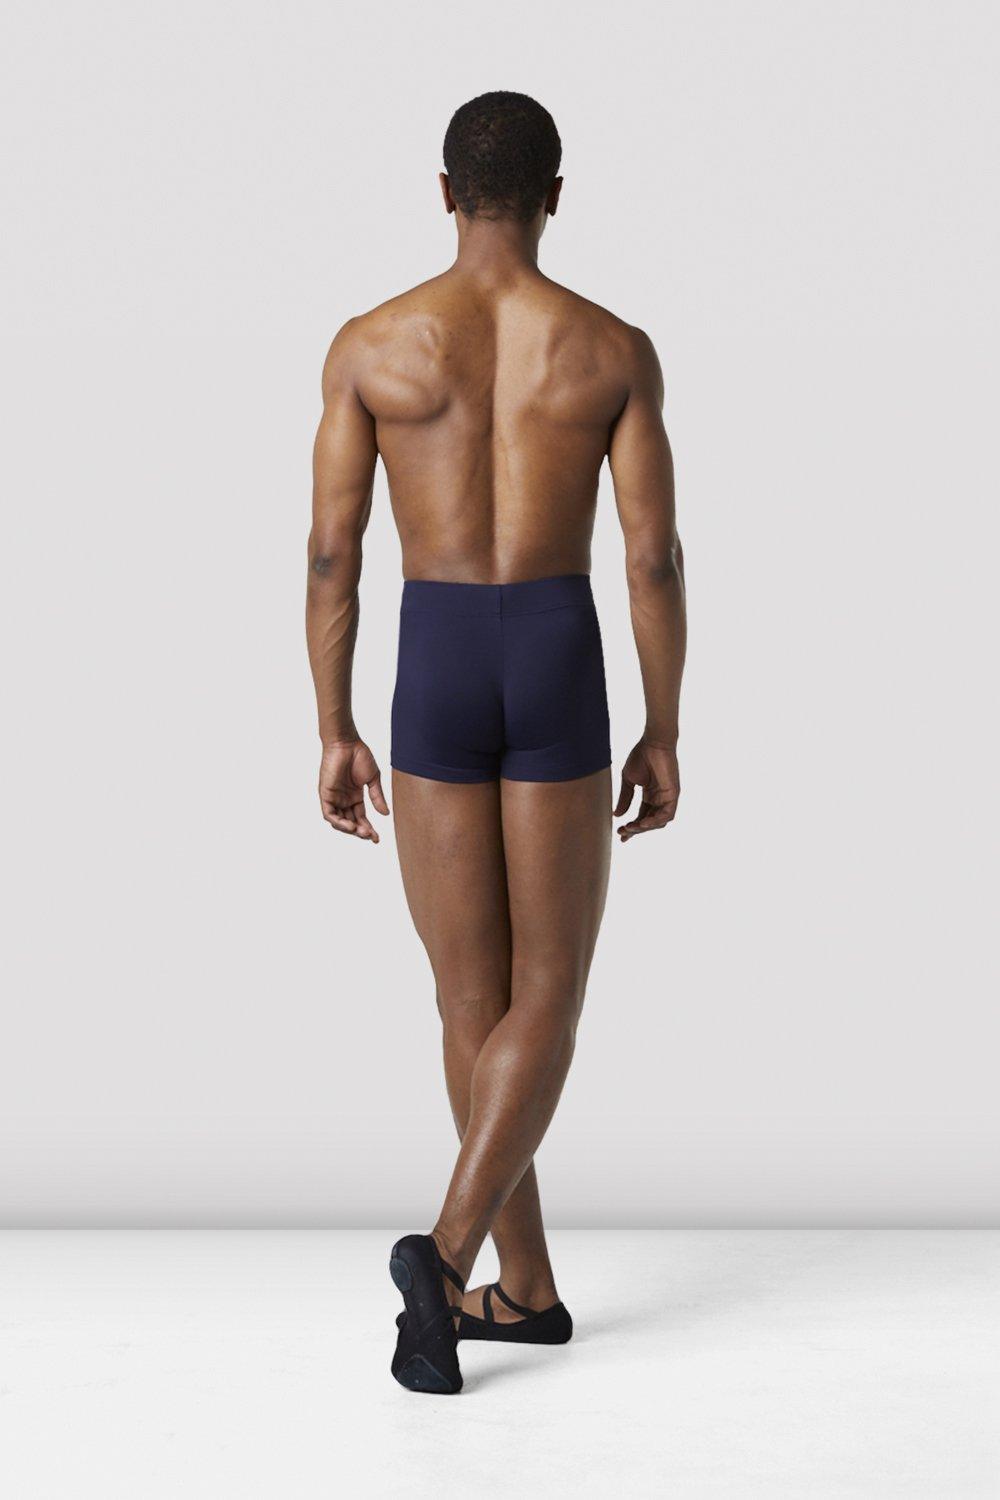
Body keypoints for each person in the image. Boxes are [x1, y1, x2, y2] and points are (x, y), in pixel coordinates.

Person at [306, 91, 686, 1394]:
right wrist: (665, 726)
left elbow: (333, 553)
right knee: (551, 994)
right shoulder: (610, 348)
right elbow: (651, 555)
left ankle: (515, 1292)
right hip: (558, 646)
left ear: (444, 192)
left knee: (472, 998)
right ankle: (465, 1261)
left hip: (436, 656)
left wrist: (334, 726)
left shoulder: (372, 344)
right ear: (556, 195)